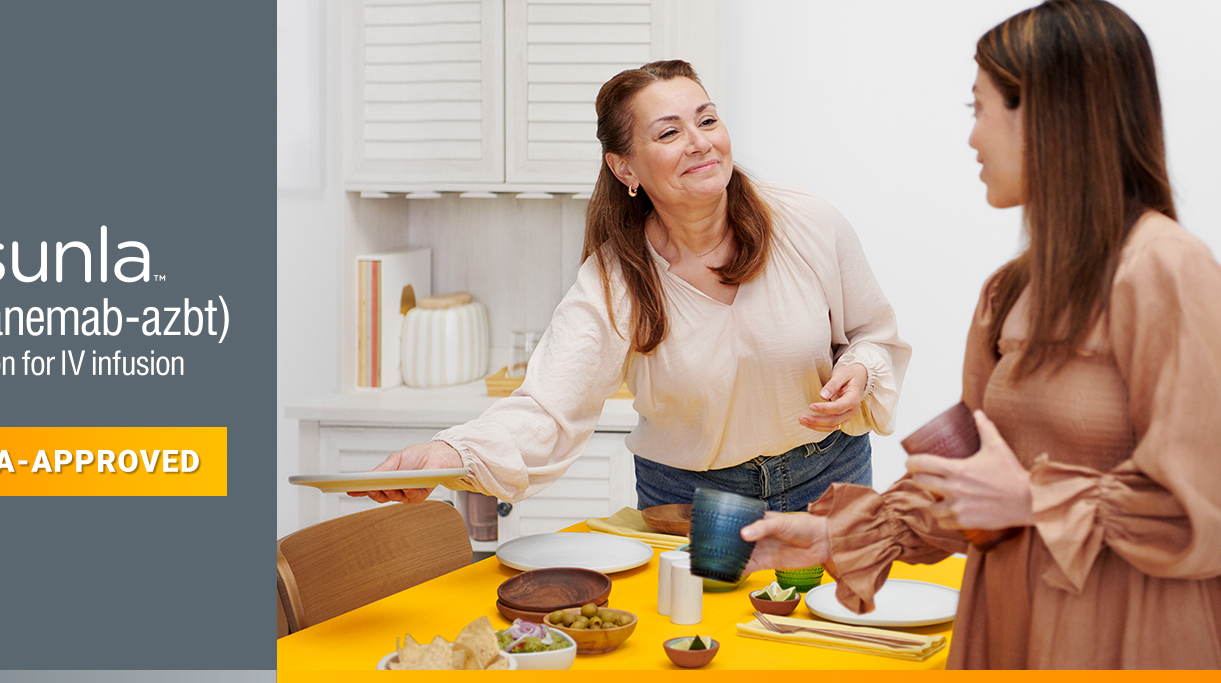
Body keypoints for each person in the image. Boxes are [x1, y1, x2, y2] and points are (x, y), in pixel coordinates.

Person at [741, 0, 1221, 669]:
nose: (972, 138)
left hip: (1124, 634)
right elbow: (971, 487)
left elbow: (1202, 502)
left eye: (981, 109)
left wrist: (1033, 499)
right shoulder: (1008, 292)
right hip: (1008, 627)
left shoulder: (1167, 267)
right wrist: (833, 535)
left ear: (1052, 115)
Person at [353, 60, 910, 514]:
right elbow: (548, 408)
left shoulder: (806, 221)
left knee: (834, 638)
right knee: (703, 643)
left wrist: (859, 370)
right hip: (692, 502)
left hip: (831, 476)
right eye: (669, 132)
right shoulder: (615, 279)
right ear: (625, 170)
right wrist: (449, 451)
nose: (699, 143)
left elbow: (872, 335)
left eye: (707, 120)